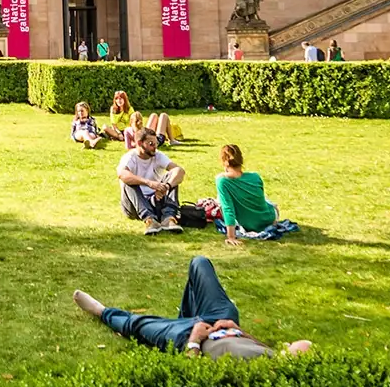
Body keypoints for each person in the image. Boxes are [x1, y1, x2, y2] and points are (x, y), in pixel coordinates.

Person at [73, 257, 312, 359]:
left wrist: (195, 341)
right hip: (221, 320)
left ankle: (101, 311)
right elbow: (253, 345)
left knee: (138, 324)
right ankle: (188, 317)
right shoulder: (271, 356)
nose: (286, 346)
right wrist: (240, 330)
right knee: (200, 263)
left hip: (189, 337)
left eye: (289, 348)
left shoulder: (253, 377)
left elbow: (194, 373)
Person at [211, 144, 296, 242]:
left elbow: (227, 208)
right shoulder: (255, 177)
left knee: (221, 200)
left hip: (248, 224)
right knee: (267, 201)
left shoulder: (223, 181)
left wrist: (231, 237)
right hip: (269, 218)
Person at [118, 129, 184, 233]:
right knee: (129, 180)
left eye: (156, 143)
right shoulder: (130, 157)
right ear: (139, 143)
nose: (155, 147)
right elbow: (122, 174)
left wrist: (166, 186)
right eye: (151, 144)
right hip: (133, 205)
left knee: (172, 177)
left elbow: (179, 171)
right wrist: (149, 183)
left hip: (155, 200)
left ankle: (169, 218)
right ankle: (149, 220)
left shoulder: (157, 155)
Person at [106, 88, 175, 147]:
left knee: (155, 115)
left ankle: (172, 140)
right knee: (163, 115)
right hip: (155, 139)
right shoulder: (146, 142)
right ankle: (172, 140)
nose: (119, 100)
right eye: (117, 99)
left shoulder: (129, 110)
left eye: (121, 98)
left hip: (145, 134)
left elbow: (130, 145)